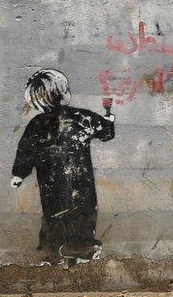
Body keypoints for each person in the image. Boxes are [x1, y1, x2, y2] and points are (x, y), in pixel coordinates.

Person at [10, 69, 115, 262]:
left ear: (37, 100)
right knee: (83, 215)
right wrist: (109, 120)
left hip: (50, 184)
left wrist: (19, 174)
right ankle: (81, 249)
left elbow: (26, 151)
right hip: (80, 181)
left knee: (52, 216)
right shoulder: (82, 117)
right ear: (64, 93)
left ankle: (50, 252)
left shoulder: (36, 124)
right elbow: (105, 133)